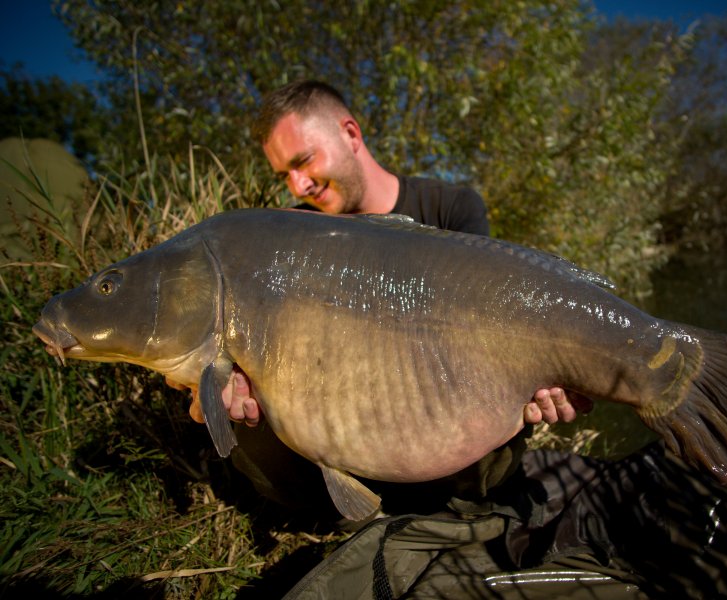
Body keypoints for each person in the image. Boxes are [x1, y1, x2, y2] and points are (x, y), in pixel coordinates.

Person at [170, 80, 590, 511]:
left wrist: (546, 380)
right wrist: (225, 376)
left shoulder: (451, 208)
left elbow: (493, 327)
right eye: (284, 175)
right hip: (343, 432)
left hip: (447, 435)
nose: (298, 186)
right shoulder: (291, 238)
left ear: (351, 134)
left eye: (304, 161)